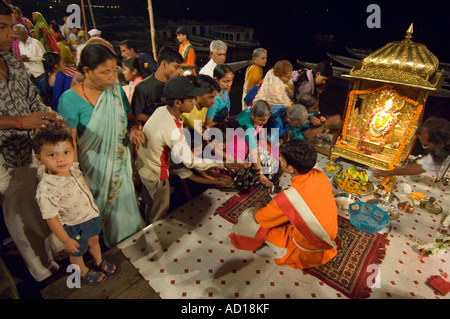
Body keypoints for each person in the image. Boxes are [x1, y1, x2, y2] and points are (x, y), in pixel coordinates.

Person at [58, 43, 144, 248]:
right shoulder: (69, 100)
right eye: (105, 72)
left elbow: (131, 119)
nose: (113, 77)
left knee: (127, 212)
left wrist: (134, 130)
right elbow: (69, 146)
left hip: (120, 166)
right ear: (86, 71)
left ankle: (132, 249)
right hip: (93, 170)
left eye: (115, 70)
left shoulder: (116, 92)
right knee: (102, 217)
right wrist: (77, 179)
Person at [0, 1, 62, 282]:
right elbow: (21, 116)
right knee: (21, 218)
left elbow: (30, 97)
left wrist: (48, 115)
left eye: (10, 27)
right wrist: (20, 122)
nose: (11, 35)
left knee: (41, 210)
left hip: (30, 150)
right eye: (3, 28)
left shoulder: (10, 59)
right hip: (5, 162)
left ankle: (53, 260)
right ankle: (40, 274)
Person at [136, 75, 249, 224]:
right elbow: (190, 162)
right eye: (191, 100)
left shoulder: (163, 110)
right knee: (159, 210)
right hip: (156, 172)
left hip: (145, 166)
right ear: (178, 102)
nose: (194, 102)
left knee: (151, 203)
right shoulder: (171, 129)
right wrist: (222, 164)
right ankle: (153, 239)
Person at [230, 139, 338, 269]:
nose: (279, 159)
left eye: (282, 158)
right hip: (327, 236)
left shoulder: (288, 199)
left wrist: (259, 203)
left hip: (307, 250)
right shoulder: (319, 175)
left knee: (249, 218)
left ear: (291, 169)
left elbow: (260, 218)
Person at [32, 127, 118, 286]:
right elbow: (51, 218)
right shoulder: (46, 190)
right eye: (52, 154)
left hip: (90, 216)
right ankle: (83, 271)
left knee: (94, 241)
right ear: (39, 158)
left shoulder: (72, 168)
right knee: (77, 252)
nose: (61, 159)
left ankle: (98, 261)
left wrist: (72, 135)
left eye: (66, 152)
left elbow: (79, 171)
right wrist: (65, 240)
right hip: (73, 226)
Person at [374, 116, 450, 179]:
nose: (425, 148)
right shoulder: (439, 149)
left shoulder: (440, 147)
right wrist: (387, 173)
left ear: (440, 144)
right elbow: (422, 166)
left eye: (426, 145)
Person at [131, 46, 183, 124]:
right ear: (164, 64)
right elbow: (136, 115)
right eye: (176, 67)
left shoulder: (177, 86)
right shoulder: (143, 87)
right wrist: (158, 122)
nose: (179, 71)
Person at [227, 100, 274, 186]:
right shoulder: (248, 127)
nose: (263, 122)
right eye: (261, 120)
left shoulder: (252, 109)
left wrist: (263, 139)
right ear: (252, 115)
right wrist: (259, 172)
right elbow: (253, 150)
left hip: (247, 139)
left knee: (268, 150)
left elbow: (262, 126)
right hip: (236, 142)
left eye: (266, 120)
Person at [205, 64, 234, 128]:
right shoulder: (213, 99)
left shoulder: (224, 92)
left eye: (231, 80)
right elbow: (208, 124)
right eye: (226, 81)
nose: (229, 84)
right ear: (216, 80)